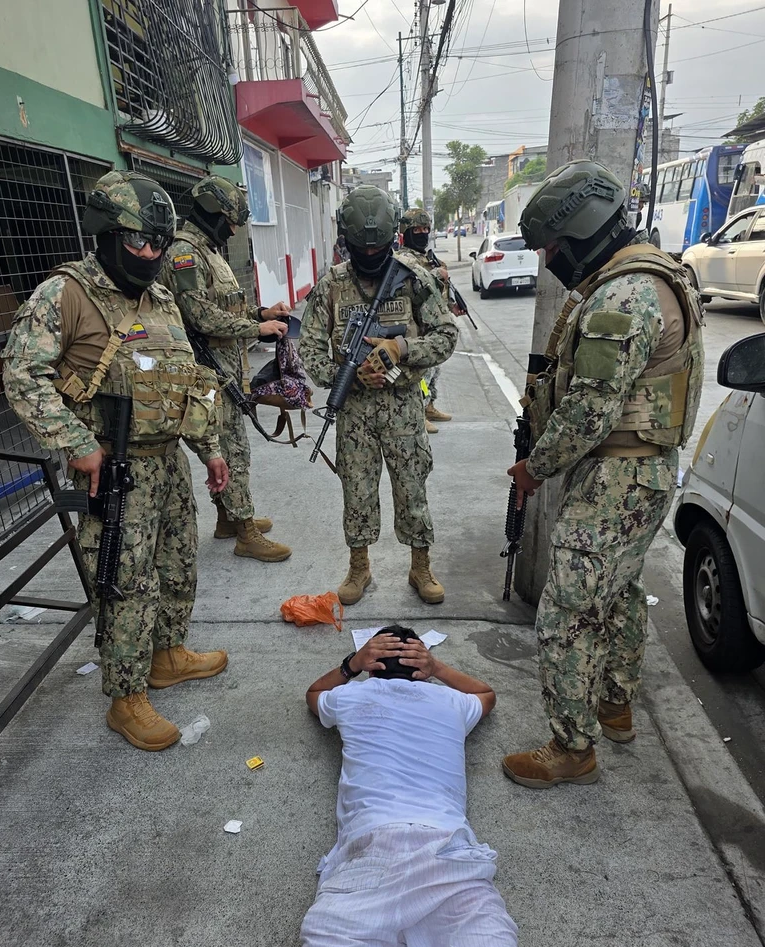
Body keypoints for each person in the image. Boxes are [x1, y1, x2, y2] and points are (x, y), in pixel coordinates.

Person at [252, 626, 555, 947]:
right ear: (421, 668)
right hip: (451, 858)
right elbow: (486, 694)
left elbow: (314, 694)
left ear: (372, 669)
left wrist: (350, 666)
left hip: (369, 856)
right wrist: (439, 669)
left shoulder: (351, 698)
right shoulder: (451, 702)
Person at [2, 170, 230, 751]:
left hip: (168, 462)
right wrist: (76, 442)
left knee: (178, 563)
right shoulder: (65, 293)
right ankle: (126, 698)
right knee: (126, 583)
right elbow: (22, 374)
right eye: (138, 241)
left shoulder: (161, 298)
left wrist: (210, 448)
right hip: (114, 467)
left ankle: (168, 654)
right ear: (106, 233)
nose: (150, 254)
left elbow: (187, 381)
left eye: (160, 242)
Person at [502, 160, 705, 788]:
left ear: (582, 234)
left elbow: (591, 409)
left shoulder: (621, 297)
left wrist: (534, 468)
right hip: (644, 472)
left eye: (553, 248)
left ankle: (572, 747)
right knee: (618, 593)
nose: (550, 261)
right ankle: (615, 705)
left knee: (567, 613)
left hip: (616, 480)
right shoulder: (659, 273)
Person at [300, 186, 458, 606]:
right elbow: (309, 348)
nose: (370, 254)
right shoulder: (332, 284)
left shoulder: (414, 278)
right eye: (361, 248)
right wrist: (347, 377)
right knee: (357, 491)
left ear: (392, 239)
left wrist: (401, 349)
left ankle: (420, 566)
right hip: (354, 412)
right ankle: (359, 567)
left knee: (412, 488)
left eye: (378, 247)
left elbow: (446, 335)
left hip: (403, 407)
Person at [160, 176, 293, 563]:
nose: (233, 230)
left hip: (225, 369)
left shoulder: (209, 251)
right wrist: (256, 329)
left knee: (226, 444)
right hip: (207, 371)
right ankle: (246, 533)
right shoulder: (185, 254)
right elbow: (201, 317)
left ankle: (226, 520)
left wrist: (261, 313)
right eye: (230, 221)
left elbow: (225, 306)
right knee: (231, 449)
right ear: (213, 214)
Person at [396, 207, 461, 433]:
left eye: (426, 229)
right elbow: (414, 286)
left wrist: (452, 306)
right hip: (416, 325)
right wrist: (436, 275)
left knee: (435, 370)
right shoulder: (403, 259)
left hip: (434, 322)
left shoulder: (429, 259)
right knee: (422, 373)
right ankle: (419, 412)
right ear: (406, 232)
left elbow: (439, 293)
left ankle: (430, 405)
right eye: (417, 230)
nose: (422, 233)